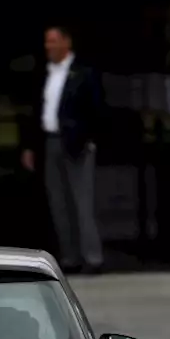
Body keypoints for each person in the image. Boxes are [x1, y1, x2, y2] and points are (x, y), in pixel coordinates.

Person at [19, 25, 105, 274]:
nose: (49, 46)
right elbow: (34, 110)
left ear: (67, 42)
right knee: (58, 202)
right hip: (50, 141)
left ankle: (93, 257)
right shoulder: (43, 73)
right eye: (47, 42)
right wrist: (29, 146)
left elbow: (98, 108)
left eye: (54, 41)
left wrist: (90, 139)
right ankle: (70, 257)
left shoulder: (84, 73)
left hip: (77, 143)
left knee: (82, 201)